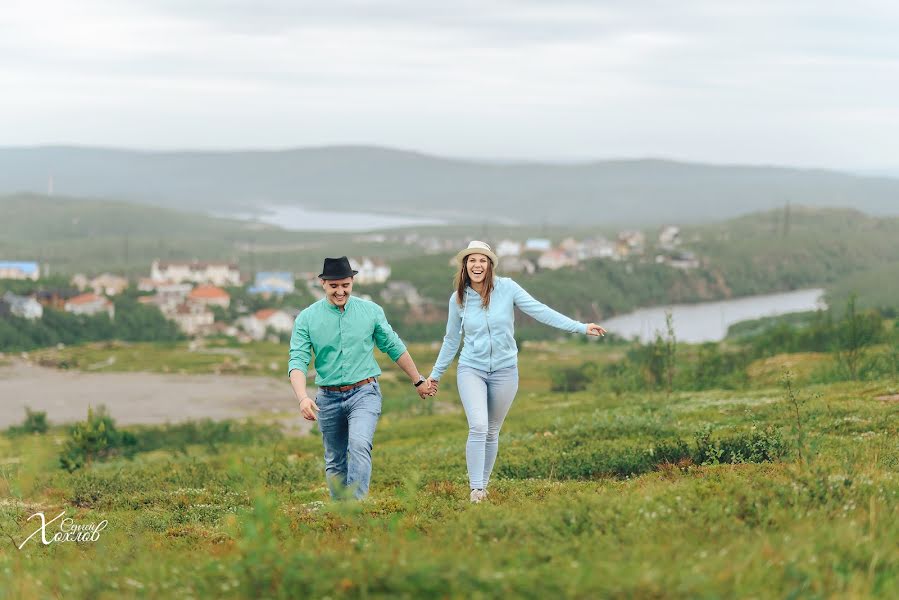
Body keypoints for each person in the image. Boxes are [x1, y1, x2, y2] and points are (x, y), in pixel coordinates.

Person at [427, 241, 605, 503]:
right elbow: (451, 340)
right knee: (478, 425)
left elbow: (541, 312)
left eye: (483, 260)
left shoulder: (508, 288)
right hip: (471, 368)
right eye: (472, 260)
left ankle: (483, 487)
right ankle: (476, 490)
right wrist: (435, 375)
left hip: (505, 370)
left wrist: (580, 327)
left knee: (492, 431)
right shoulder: (458, 299)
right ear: (465, 265)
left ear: (490, 265)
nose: (477, 265)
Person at [288, 256, 434, 500]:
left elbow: (394, 347)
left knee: (358, 444)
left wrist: (418, 380)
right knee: (335, 460)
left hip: (364, 392)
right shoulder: (306, 318)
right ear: (323, 284)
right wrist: (302, 398)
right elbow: (298, 361)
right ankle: (341, 512)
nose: (340, 291)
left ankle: (356, 509)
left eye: (345, 285)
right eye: (334, 286)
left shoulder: (371, 311)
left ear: (352, 282)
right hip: (327, 397)